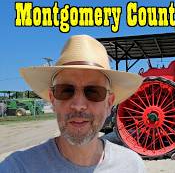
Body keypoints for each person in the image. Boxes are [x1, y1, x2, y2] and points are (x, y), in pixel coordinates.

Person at [0, 35, 145, 172]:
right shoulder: (17, 168)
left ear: (109, 104)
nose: (78, 105)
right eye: (65, 91)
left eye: (93, 92)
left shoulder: (132, 166)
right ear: (52, 100)